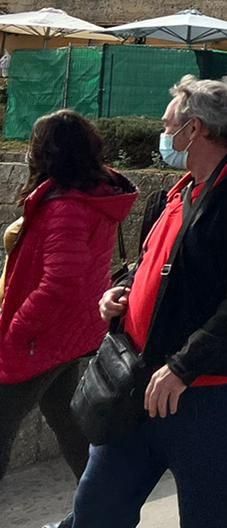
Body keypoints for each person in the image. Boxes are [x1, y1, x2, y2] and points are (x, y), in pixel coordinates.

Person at [72, 76, 227, 528]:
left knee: (211, 518)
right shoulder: (174, 194)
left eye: (167, 124)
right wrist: (121, 290)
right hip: (137, 388)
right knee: (95, 512)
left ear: (195, 129)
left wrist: (183, 366)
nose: (163, 133)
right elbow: (153, 264)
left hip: (211, 398)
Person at [0, 111, 137, 486]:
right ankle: (102, 503)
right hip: (74, 330)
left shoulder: (66, 207)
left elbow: (60, 280)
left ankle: (104, 501)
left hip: (42, 335)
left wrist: (17, 328)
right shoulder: (94, 194)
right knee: (68, 418)